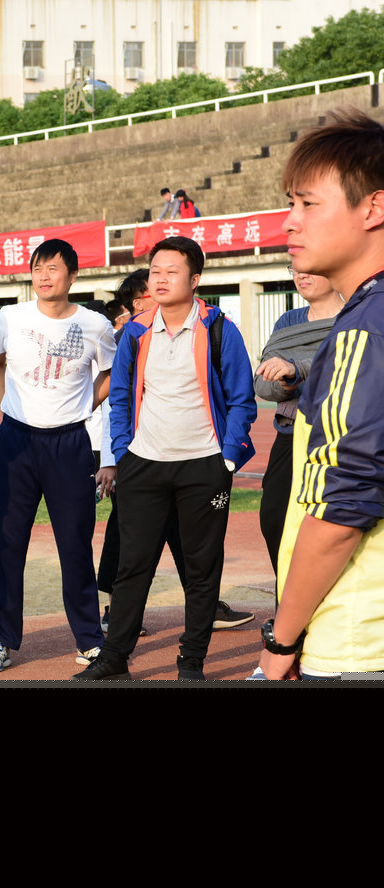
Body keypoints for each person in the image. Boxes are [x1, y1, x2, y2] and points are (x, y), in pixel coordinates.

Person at [77, 236, 256, 680]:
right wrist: (125, 451)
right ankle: (114, 658)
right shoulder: (136, 331)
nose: (160, 278)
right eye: (155, 270)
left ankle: (191, 661)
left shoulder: (220, 329)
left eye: (172, 271)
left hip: (205, 465)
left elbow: (242, 398)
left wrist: (227, 458)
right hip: (144, 464)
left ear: (195, 280)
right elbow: (121, 396)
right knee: (132, 565)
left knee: (201, 569)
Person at [259, 109, 384, 679]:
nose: (289, 223)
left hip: (357, 638)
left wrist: (282, 638)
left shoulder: (364, 328)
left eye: (308, 204)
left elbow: (341, 512)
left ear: (373, 208)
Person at [0, 240, 115, 673]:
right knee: (8, 541)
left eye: (53, 268)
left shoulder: (95, 325)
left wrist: (84, 407)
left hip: (70, 444)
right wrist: (7, 406)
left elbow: (111, 373)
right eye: (38, 267)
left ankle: (90, 639)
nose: (43, 275)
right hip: (16, 442)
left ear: (72, 276)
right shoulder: (11, 317)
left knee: (74, 543)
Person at [254, 267, 343, 573]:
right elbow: (264, 384)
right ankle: (287, 595)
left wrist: (297, 368)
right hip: (291, 435)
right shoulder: (288, 322)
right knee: (274, 517)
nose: (301, 276)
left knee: (335, 522)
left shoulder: (357, 315)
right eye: (295, 270)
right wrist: (286, 384)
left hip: (341, 436)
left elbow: (349, 367)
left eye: (310, 269)